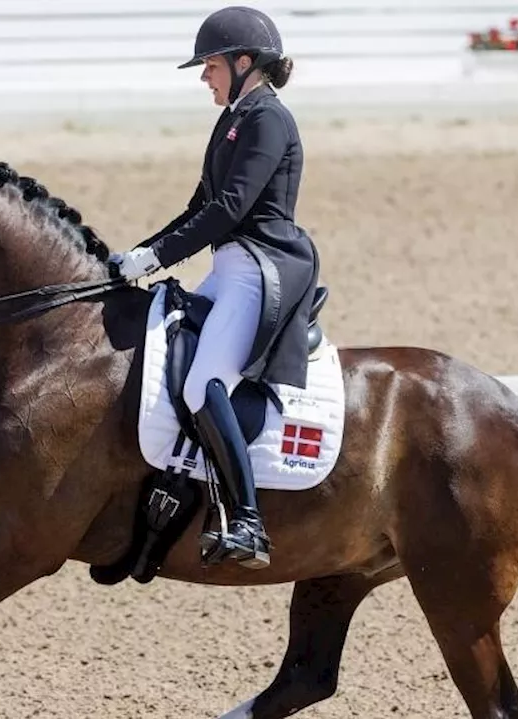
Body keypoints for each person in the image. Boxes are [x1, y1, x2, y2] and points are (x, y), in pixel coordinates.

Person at [109, 5, 321, 570]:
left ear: (243, 62)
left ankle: (248, 522)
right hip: (228, 266)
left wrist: (155, 257)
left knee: (205, 385)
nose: (205, 74)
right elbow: (198, 207)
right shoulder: (234, 117)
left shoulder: (267, 119)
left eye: (211, 64)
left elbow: (229, 209)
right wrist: (137, 255)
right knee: (161, 355)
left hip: (260, 265)